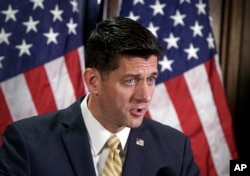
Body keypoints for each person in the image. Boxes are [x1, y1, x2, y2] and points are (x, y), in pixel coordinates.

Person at [0, 17, 200, 176]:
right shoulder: (27, 143)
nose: (145, 96)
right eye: (130, 81)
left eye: (151, 79)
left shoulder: (175, 149)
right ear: (93, 80)